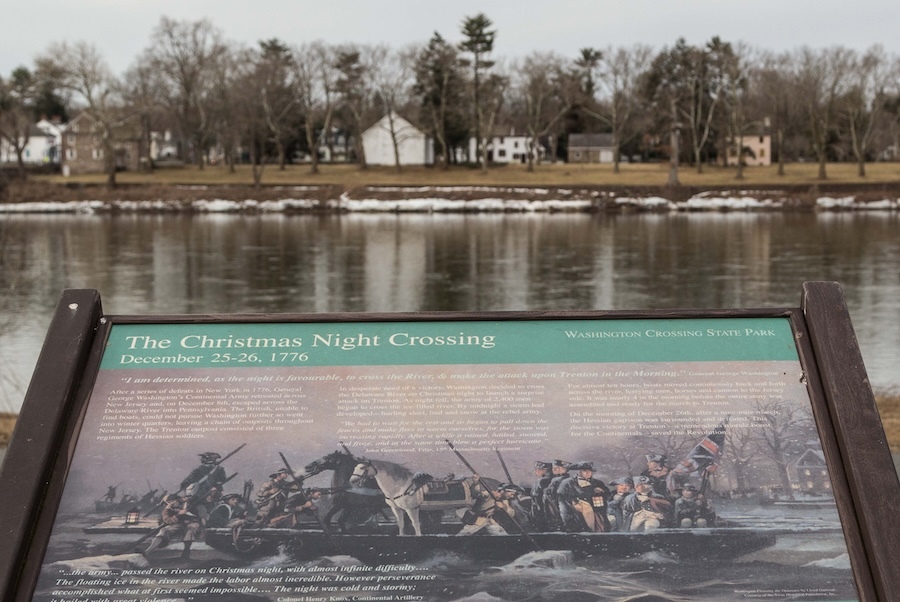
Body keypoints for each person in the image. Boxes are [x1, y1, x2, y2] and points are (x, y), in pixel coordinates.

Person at [557, 462, 611, 532]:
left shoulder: (597, 482)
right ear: (578, 471)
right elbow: (562, 497)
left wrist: (602, 491)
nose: (588, 473)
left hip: (597, 510)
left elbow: (608, 494)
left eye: (590, 471)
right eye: (585, 471)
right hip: (576, 511)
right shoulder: (567, 483)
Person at [144, 494, 202, 559]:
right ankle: (147, 551)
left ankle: (186, 552)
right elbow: (167, 521)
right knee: (164, 530)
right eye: (168, 502)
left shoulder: (187, 502)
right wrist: (178, 514)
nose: (171, 503)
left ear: (177, 499)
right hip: (178, 524)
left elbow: (196, 498)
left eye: (172, 501)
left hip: (192, 522)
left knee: (190, 529)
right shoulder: (167, 510)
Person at [457, 477, 522, 535]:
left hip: (490, 521)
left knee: (502, 535)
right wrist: (476, 483)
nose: (512, 496)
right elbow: (476, 493)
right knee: (463, 535)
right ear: (504, 491)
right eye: (512, 494)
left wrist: (504, 507)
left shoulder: (504, 501)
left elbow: (511, 513)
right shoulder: (488, 494)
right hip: (477, 520)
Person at [541, 460, 571, 531]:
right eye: (553, 468)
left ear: (565, 469)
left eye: (557, 468)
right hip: (552, 501)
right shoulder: (555, 479)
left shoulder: (565, 480)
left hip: (560, 501)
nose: (554, 470)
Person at [529, 461, 553, 532]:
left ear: (545, 471)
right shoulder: (548, 480)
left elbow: (538, 497)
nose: (536, 472)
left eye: (538, 470)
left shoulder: (542, 482)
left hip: (541, 512)